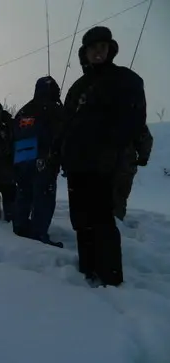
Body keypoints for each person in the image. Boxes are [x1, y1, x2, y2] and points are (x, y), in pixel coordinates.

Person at [62, 26, 147, 286]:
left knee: (102, 220)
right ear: (84, 53)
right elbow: (66, 124)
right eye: (92, 48)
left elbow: (133, 120)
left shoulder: (125, 79)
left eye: (102, 47)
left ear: (110, 49)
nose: (97, 52)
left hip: (105, 164)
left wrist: (112, 149)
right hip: (77, 165)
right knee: (81, 220)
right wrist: (62, 155)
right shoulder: (78, 87)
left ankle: (111, 280)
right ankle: (88, 271)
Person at [12, 76, 64, 247]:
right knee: (44, 197)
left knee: (23, 194)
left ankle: (19, 228)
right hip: (44, 159)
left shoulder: (23, 110)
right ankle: (38, 234)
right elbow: (62, 135)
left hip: (21, 159)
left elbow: (13, 135)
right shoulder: (53, 109)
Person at [113, 124, 153, 221]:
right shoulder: (132, 114)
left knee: (117, 198)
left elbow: (144, 136)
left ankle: (115, 225)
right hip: (123, 165)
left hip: (120, 166)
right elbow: (145, 137)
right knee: (117, 199)